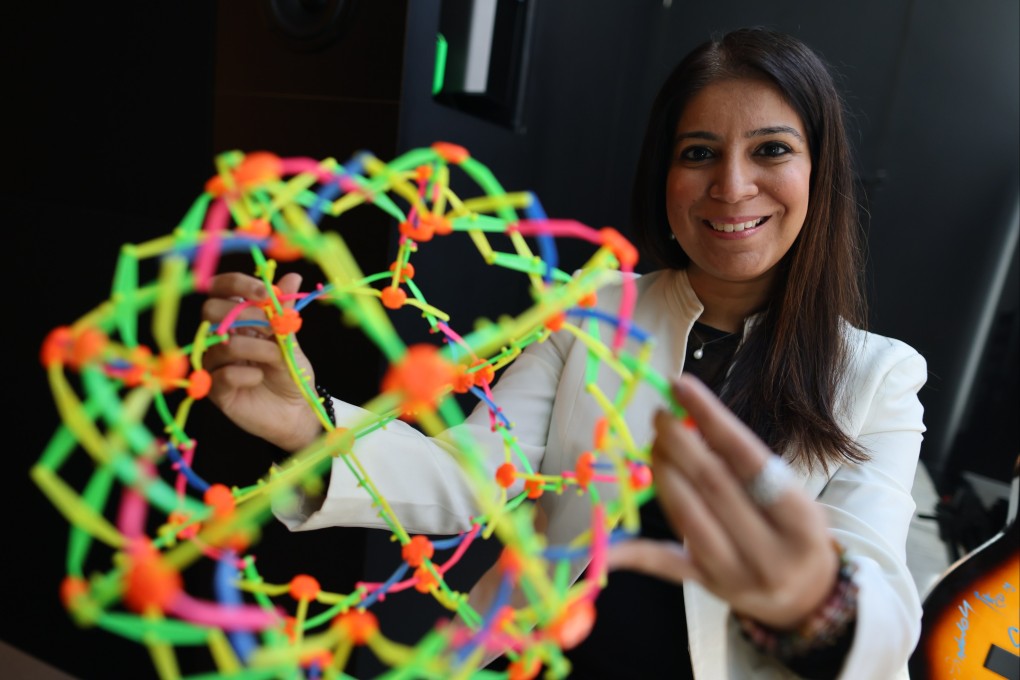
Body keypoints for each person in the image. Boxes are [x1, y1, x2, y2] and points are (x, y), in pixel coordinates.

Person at [201, 27, 927, 679]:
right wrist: (308, 424)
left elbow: (885, 615)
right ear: (664, 174)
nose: (732, 186)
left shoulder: (878, 376)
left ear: (821, 170)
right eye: (699, 153)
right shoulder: (596, 309)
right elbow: (471, 476)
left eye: (771, 149)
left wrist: (813, 605)